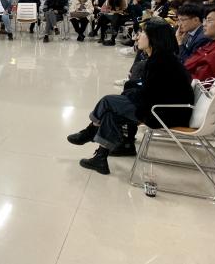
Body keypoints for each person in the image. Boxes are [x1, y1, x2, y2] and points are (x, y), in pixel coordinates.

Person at [66, 18, 194, 174]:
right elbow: (152, 90)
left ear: (154, 38)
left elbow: (149, 94)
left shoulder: (161, 62)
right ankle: (101, 157)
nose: (137, 37)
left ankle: (90, 131)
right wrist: (129, 90)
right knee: (111, 113)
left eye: (142, 33)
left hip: (164, 113)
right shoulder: (162, 58)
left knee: (108, 101)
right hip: (164, 108)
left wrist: (128, 93)